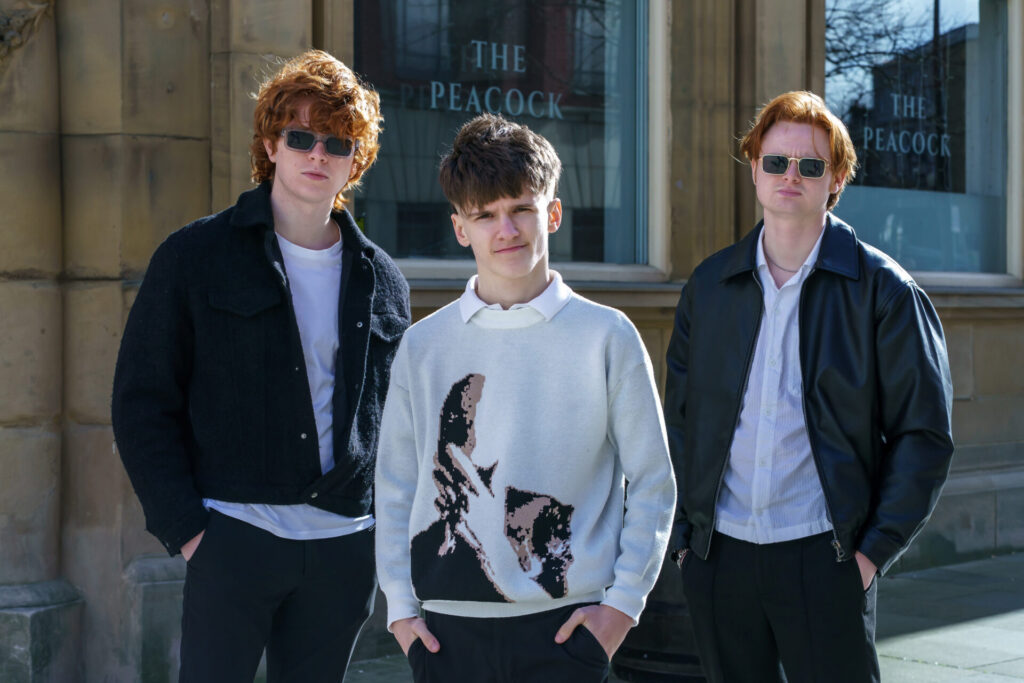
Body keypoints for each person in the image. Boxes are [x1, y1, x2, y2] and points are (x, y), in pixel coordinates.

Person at [111, 50, 410, 682]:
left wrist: (379, 534)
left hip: (342, 548)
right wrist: (190, 531)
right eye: (300, 136)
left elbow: (393, 420)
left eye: (337, 142)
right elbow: (142, 400)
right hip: (233, 538)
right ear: (271, 145)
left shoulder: (382, 279)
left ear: (356, 160)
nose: (317, 154)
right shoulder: (196, 256)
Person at [664, 90, 955, 683]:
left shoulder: (885, 292)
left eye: (810, 165)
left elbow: (923, 435)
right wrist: (684, 542)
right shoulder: (710, 286)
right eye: (776, 162)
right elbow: (679, 422)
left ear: (837, 178)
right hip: (720, 558)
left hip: (826, 556)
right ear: (754, 170)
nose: (790, 175)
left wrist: (871, 554)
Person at [374, 113, 676, 683]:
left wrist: (621, 608)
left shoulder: (606, 336)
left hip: (567, 628)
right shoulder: (424, 346)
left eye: (520, 209)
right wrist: (399, 610)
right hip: (444, 632)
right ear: (460, 227)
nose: (504, 229)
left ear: (553, 213)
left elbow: (654, 482)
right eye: (484, 215)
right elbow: (395, 484)